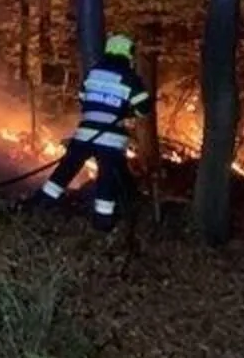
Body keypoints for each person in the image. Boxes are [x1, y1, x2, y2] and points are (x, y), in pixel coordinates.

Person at [24, 34, 153, 232]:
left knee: (65, 170)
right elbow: (144, 108)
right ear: (128, 53)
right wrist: (126, 111)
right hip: (111, 138)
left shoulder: (94, 73)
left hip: (85, 134)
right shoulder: (130, 77)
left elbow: (83, 98)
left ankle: (40, 206)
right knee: (106, 180)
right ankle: (103, 223)